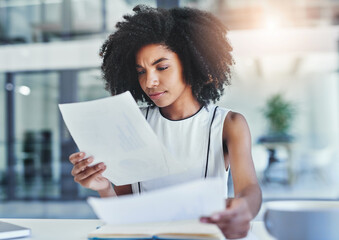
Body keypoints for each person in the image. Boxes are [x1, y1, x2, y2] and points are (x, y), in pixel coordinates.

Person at [69, 5, 262, 239]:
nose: (149, 81)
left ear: (193, 65)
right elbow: (125, 211)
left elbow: (249, 189)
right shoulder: (131, 121)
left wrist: (244, 209)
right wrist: (103, 187)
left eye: (162, 67)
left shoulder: (227, 124)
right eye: (141, 71)